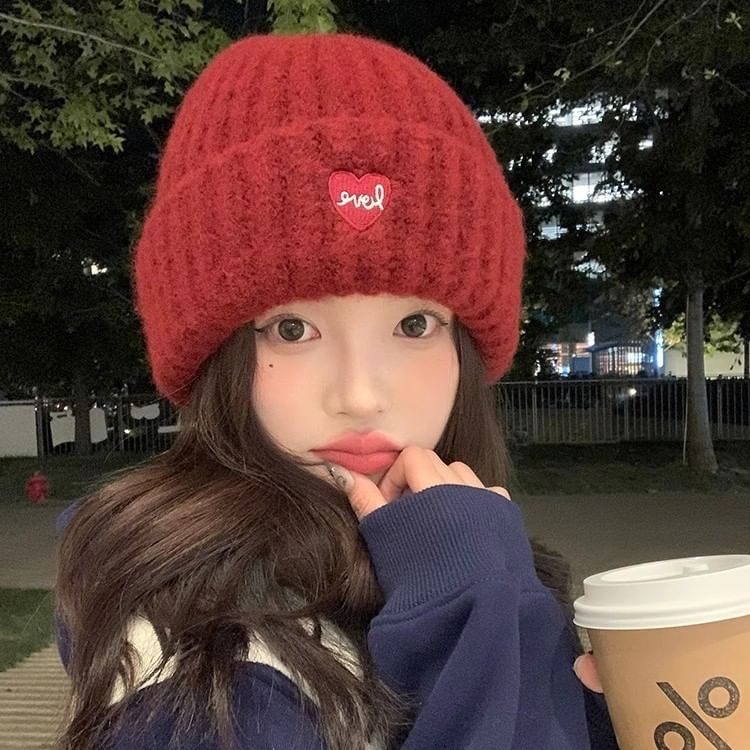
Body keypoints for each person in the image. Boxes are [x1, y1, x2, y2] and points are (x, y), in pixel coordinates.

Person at [54, 33, 618, 750]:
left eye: (414, 324)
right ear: (214, 355)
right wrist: (480, 632)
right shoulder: (204, 671)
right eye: (292, 329)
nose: (360, 395)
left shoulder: (466, 548)